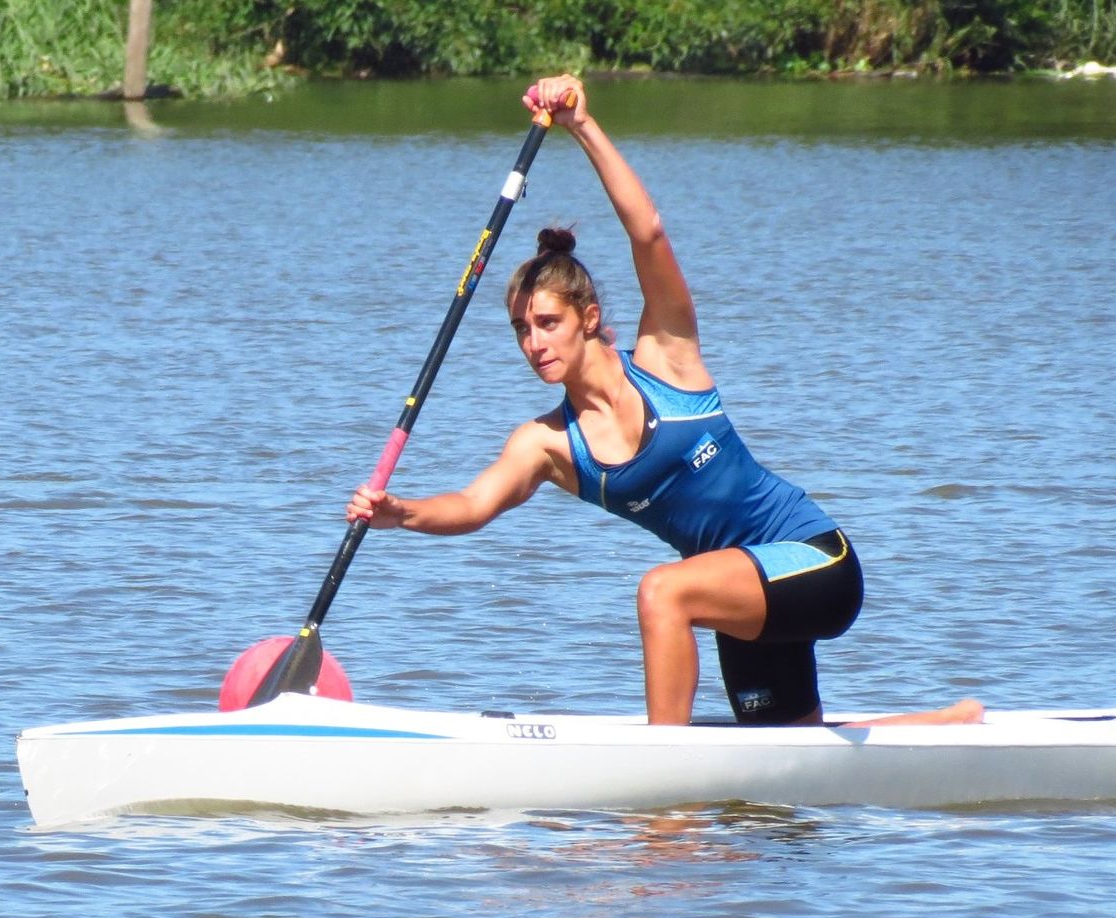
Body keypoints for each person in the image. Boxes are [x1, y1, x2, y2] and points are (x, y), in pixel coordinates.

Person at [348, 75, 984, 728]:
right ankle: (948, 725)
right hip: (736, 594)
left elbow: (648, 232)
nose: (533, 342)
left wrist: (581, 127)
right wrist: (402, 511)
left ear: (589, 317)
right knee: (786, 757)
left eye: (546, 322)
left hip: (815, 562)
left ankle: (663, 809)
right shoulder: (547, 445)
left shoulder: (667, 356)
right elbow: (473, 504)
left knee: (661, 591)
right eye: (520, 329)